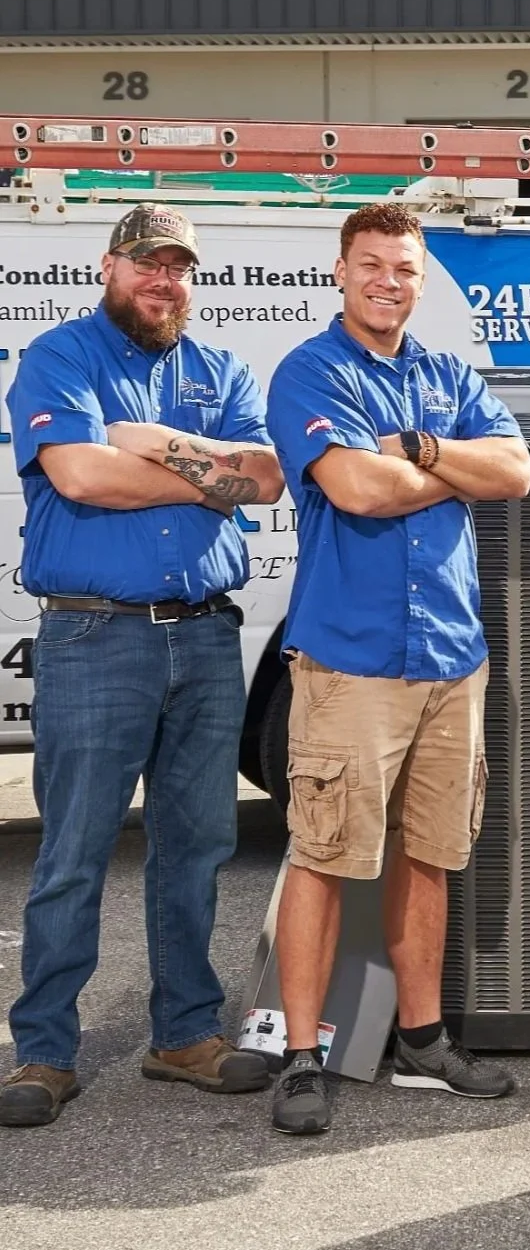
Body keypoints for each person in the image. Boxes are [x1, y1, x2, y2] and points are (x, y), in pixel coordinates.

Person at [0, 205, 284, 1129]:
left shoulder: (222, 368)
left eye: (178, 268)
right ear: (109, 267)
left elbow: (265, 479)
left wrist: (138, 440)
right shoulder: (59, 356)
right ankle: (44, 1049)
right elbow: (80, 477)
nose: (163, 282)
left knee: (197, 845)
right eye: (146, 265)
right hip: (95, 637)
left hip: (205, 635)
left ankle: (183, 1033)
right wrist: (205, 471)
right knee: (75, 852)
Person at [264, 202, 530, 1136]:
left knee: (430, 853)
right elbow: (355, 489)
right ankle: (303, 1054)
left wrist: (418, 447)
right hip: (353, 658)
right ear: (340, 271)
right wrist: (448, 467)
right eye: (371, 264)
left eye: (405, 267)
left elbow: (515, 472)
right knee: (325, 854)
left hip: (452, 656)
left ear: (421, 279)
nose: (388, 280)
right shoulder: (309, 370)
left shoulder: (449, 372)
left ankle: (422, 1035)